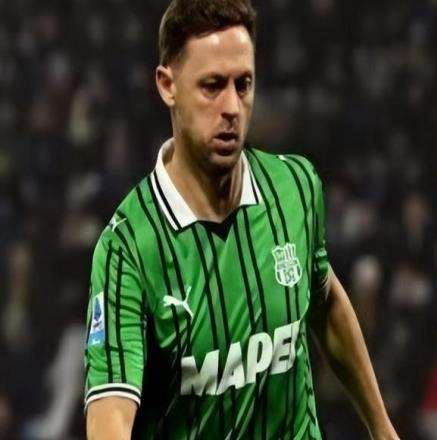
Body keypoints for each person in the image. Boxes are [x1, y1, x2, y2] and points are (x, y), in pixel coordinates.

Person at [84, 0, 399, 438]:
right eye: (212, 86)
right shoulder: (129, 249)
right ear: (168, 86)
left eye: (244, 84)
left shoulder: (296, 187)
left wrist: (383, 429)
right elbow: (110, 419)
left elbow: (324, 299)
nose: (232, 106)